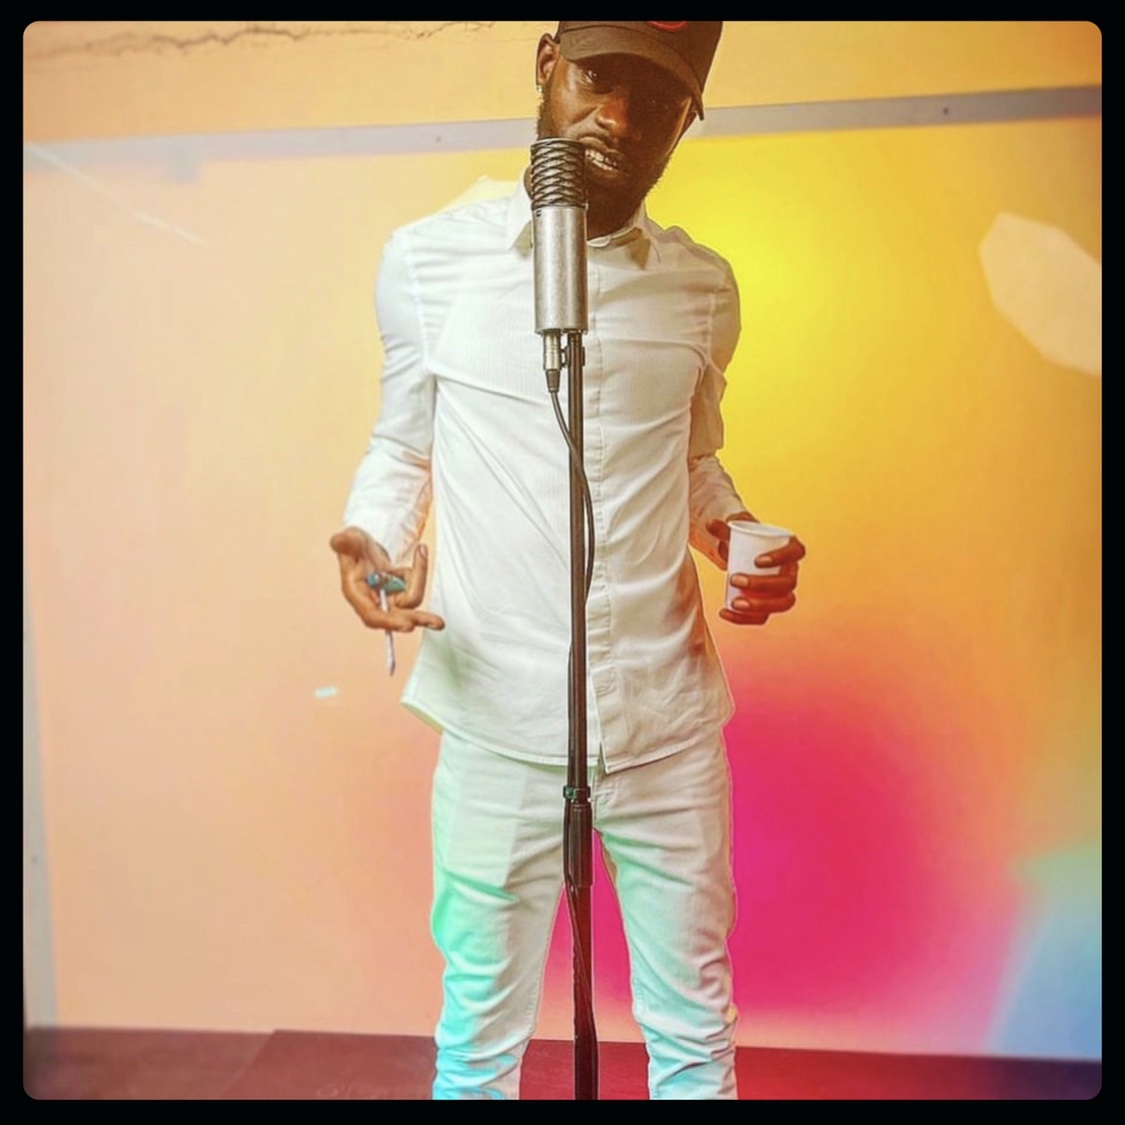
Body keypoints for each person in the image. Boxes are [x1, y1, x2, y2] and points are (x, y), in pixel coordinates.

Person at [330, 21, 805, 1100]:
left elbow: (691, 463)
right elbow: (403, 445)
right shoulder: (428, 261)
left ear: (688, 121)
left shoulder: (702, 288)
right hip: (495, 716)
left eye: (659, 100)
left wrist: (737, 534)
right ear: (548, 65)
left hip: (663, 726)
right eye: (598, 78)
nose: (620, 119)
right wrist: (377, 544)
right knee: (478, 1037)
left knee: (695, 1037)